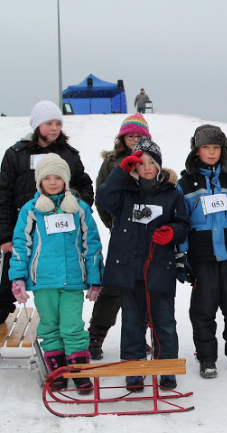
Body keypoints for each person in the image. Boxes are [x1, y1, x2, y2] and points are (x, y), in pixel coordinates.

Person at [96, 137, 189, 391]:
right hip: (129, 269)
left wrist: (172, 232)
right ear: (134, 166)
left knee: (164, 321)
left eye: (151, 162)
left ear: (159, 165)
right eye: (141, 163)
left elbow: (183, 225)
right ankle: (133, 369)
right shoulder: (123, 193)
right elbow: (103, 196)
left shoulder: (172, 194)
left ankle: (166, 368)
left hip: (160, 268)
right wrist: (120, 171)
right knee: (132, 321)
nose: (147, 167)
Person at [9, 154, 103, 394]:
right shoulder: (31, 210)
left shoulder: (79, 209)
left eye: (58, 178)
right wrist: (18, 278)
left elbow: (91, 245)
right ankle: (58, 371)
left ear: (66, 180)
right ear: (39, 181)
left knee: (72, 326)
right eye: (47, 178)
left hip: (73, 280)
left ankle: (79, 372)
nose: (52, 182)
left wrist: (95, 278)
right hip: (43, 281)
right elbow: (21, 245)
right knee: (49, 326)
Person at [0, 100, 94, 324]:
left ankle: (61, 329)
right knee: (8, 283)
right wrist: (5, 236)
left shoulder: (69, 155)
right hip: (22, 230)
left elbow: (85, 186)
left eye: (58, 124)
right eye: (48, 123)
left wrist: (76, 206)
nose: (54, 128)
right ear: (37, 126)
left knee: (56, 284)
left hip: (57, 233)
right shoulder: (16, 154)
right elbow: (3, 194)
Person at [176, 125, 227, 379]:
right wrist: (181, 256)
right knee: (203, 310)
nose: (211, 152)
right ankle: (207, 357)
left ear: (223, 150)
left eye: (216, 147)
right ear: (196, 151)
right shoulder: (185, 184)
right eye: (206, 147)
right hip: (203, 257)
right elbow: (182, 222)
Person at [87, 113, 152, 360]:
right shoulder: (111, 162)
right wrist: (112, 224)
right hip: (121, 234)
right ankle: (95, 337)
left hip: (145, 234)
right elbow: (102, 196)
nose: (134, 139)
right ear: (122, 137)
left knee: (143, 286)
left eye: (139, 135)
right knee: (112, 288)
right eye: (130, 135)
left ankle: (138, 337)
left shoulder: (150, 158)